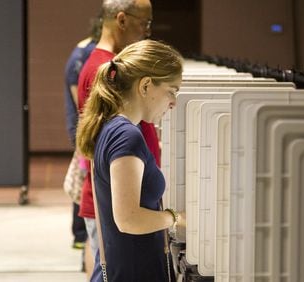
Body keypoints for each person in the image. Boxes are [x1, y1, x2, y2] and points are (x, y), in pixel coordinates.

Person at [77, 39, 186, 282]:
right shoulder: (127, 136)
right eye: (172, 90)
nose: (174, 102)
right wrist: (176, 218)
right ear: (146, 85)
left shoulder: (114, 127)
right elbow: (129, 219)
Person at [76, 0, 156, 265]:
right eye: (144, 23)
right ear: (121, 20)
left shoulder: (111, 66)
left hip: (119, 204)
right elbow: (104, 153)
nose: (147, 31)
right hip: (113, 207)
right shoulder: (107, 71)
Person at [62, 16, 102, 273]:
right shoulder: (85, 55)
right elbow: (84, 102)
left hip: (85, 133)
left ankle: (82, 241)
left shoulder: (85, 50)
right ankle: (80, 239)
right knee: (87, 201)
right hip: (85, 135)